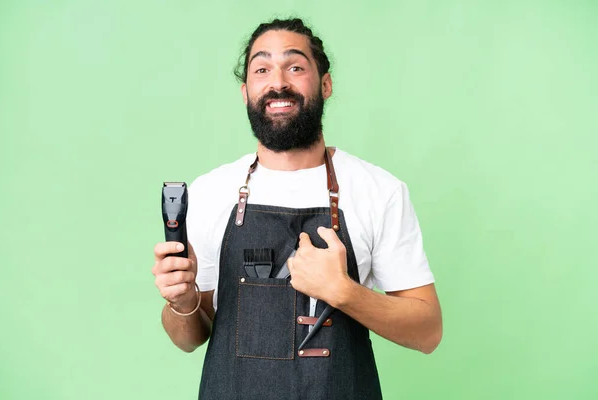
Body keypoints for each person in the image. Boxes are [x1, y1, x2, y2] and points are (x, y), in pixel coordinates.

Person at [151, 17, 442, 400]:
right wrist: (183, 302)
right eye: (262, 69)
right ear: (246, 92)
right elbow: (189, 338)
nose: (278, 83)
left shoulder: (378, 191)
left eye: (295, 66)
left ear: (325, 84)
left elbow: (427, 331)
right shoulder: (211, 191)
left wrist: (343, 292)